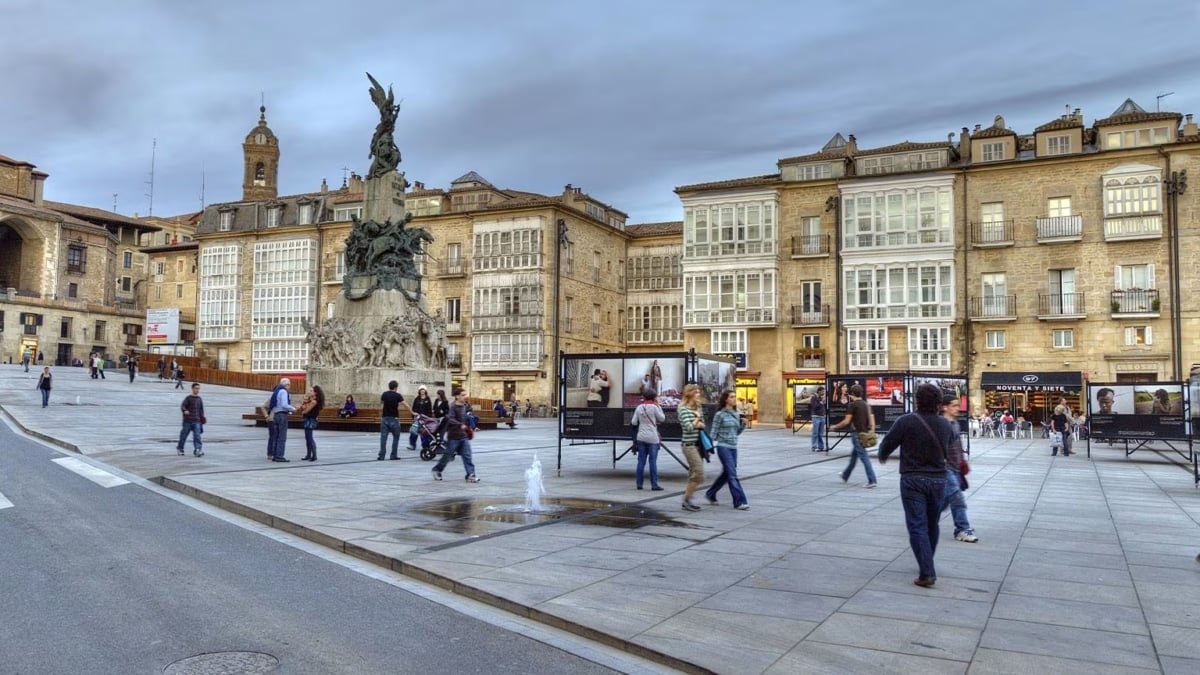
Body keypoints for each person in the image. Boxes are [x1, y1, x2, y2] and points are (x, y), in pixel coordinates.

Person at [877, 383, 952, 588]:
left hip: (913, 480)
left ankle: (927, 571)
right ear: (938, 403)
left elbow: (887, 444)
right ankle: (926, 559)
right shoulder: (945, 424)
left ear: (917, 400)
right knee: (931, 523)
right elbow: (951, 446)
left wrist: (883, 455)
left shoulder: (906, 421)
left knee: (917, 525)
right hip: (939, 480)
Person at [940, 396, 977, 543]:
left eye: (958, 405)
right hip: (945, 467)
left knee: (944, 501)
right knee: (957, 497)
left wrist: (962, 461)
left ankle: (927, 521)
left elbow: (957, 445)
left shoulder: (955, 423)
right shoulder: (941, 424)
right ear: (945, 407)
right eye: (954, 406)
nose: (958, 408)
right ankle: (962, 529)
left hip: (955, 467)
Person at [704, 389, 749, 510]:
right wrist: (707, 447)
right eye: (731, 397)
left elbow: (737, 432)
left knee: (727, 474)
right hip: (723, 447)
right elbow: (713, 432)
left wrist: (743, 424)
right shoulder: (720, 415)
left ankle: (710, 493)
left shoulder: (735, 413)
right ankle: (739, 501)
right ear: (725, 399)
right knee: (733, 475)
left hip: (734, 447)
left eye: (735, 396)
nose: (734, 399)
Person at [830, 384, 877, 488]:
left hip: (857, 435)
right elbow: (872, 421)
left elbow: (846, 421)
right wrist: (871, 432)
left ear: (852, 394)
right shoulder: (866, 405)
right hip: (865, 434)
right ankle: (845, 475)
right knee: (854, 457)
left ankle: (872, 480)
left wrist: (835, 427)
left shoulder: (853, 405)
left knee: (864, 457)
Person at [432, 386, 479, 482]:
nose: (465, 397)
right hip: (453, 436)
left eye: (465, 395)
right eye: (463, 395)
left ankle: (470, 474)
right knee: (447, 456)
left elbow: (466, 418)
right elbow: (450, 418)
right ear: (457, 396)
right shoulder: (452, 407)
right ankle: (437, 470)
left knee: (467, 455)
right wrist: (460, 425)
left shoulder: (465, 406)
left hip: (463, 436)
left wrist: (470, 427)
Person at [677, 384, 706, 511]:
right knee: (699, 473)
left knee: (693, 473)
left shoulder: (698, 407)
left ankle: (688, 500)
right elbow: (688, 428)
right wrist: (697, 419)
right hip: (688, 446)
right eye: (696, 392)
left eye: (699, 392)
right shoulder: (683, 409)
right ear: (689, 394)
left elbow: (703, 425)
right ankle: (687, 498)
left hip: (698, 445)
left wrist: (698, 421)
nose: (698, 394)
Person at [630, 388, 665, 491]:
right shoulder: (654, 408)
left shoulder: (639, 407)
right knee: (652, 462)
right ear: (654, 398)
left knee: (641, 461)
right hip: (653, 438)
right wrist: (659, 406)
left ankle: (639, 484)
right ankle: (654, 485)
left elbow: (634, 422)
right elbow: (662, 418)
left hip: (641, 437)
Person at [266, 377, 296, 462]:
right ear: (287, 384)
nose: (289, 387)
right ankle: (279, 456)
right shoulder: (283, 391)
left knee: (276, 436)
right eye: (289, 385)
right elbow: (284, 405)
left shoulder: (277, 391)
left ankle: (275, 455)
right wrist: (293, 409)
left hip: (276, 415)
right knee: (282, 437)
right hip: (282, 415)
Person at [379, 380, 410, 460]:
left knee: (383, 438)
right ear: (396, 387)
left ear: (389, 387)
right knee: (396, 438)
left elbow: (381, 402)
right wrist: (412, 412)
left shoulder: (384, 394)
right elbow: (405, 404)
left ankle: (381, 455)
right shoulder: (398, 396)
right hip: (394, 418)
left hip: (385, 418)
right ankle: (393, 455)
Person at [176, 382, 205, 457]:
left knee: (197, 436)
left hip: (197, 421)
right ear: (192, 389)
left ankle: (197, 450)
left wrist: (202, 419)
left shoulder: (199, 399)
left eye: (198, 388)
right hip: (188, 421)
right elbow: (183, 406)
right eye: (196, 388)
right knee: (183, 436)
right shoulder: (188, 398)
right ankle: (180, 448)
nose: (197, 390)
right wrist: (185, 410)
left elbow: (201, 410)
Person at [300, 385, 325, 461]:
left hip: (311, 420)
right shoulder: (310, 400)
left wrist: (303, 411)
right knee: (307, 438)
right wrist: (304, 403)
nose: (309, 392)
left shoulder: (314, 401)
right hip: (308, 419)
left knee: (309, 438)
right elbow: (302, 407)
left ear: (315, 393)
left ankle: (314, 455)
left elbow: (306, 410)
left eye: (311, 391)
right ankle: (308, 454)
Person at [809, 386, 828, 452]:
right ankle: (814, 446)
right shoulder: (814, 397)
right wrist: (821, 403)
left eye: (824, 391)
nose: (823, 393)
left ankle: (821, 446)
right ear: (819, 391)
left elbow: (822, 407)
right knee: (815, 433)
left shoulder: (820, 398)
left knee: (820, 433)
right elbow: (814, 406)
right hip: (816, 417)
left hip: (822, 417)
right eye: (823, 391)